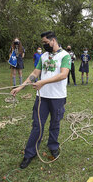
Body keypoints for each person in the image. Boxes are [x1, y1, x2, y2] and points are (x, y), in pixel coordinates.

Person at [11, 31, 71, 169]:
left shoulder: (65, 56)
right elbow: (34, 74)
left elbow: (63, 75)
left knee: (55, 124)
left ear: (53, 40)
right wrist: (20, 87)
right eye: (43, 43)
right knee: (37, 125)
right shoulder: (43, 56)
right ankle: (29, 153)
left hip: (58, 97)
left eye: (46, 42)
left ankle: (53, 146)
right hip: (42, 97)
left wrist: (43, 82)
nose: (44, 46)